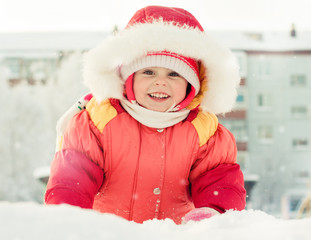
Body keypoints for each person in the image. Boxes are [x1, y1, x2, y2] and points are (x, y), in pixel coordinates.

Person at [45, 5, 246, 224]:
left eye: (174, 74)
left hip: (172, 234)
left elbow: (219, 181)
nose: (160, 81)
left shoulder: (203, 130)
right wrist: (68, 216)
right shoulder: (99, 121)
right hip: (109, 232)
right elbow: (73, 177)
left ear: (192, 86)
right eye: (148, 72)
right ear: (127, 78)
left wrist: (213, 213)